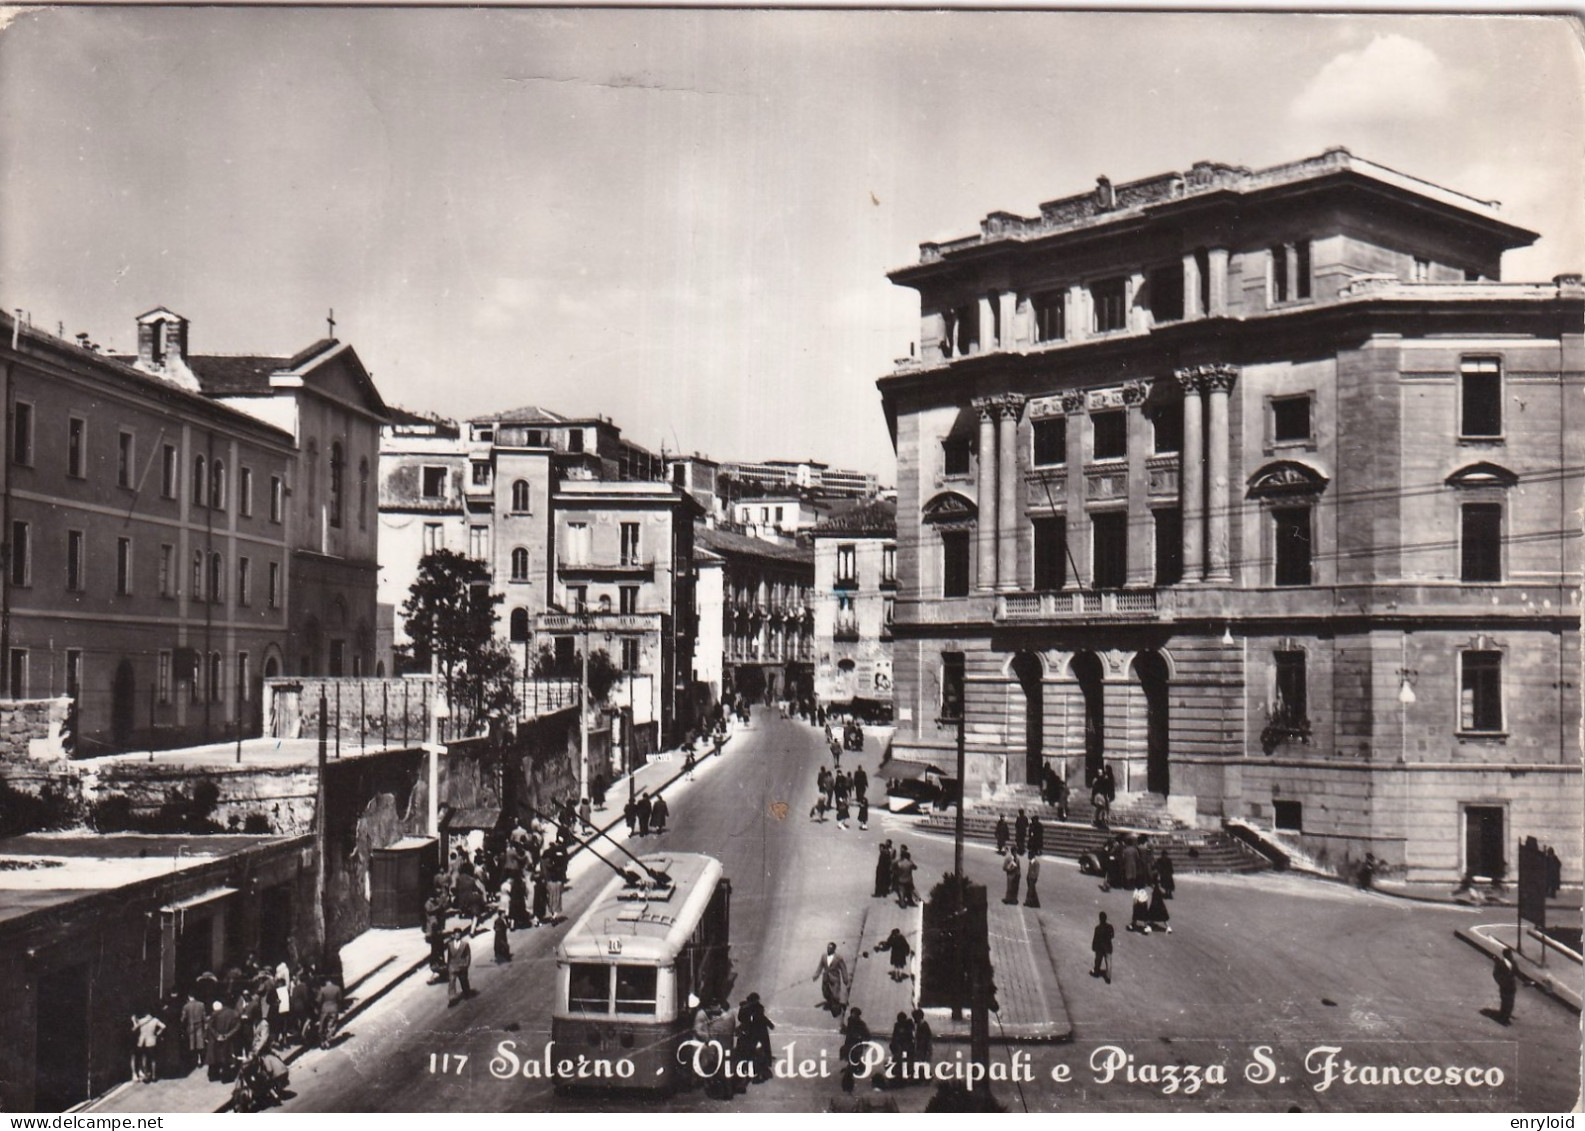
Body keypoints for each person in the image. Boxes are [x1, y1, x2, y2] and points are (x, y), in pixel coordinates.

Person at [813, 942, 850, 1017]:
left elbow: (843, 969)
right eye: (828, 948)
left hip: (835, 978)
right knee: (825, 992)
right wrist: (816, 975)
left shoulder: (838, 958)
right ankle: (830, 1002)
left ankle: (836, 1009)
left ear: (834, 949)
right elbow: (820, 966)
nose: (828, 949)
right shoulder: (824, 956)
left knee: (835, 994)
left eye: (830, 948)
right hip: (826, 977)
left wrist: (845, 979)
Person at [839, 1007, 871, 1094]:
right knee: (848, 1056)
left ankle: (853, 1070)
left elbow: (866, 1035)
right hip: (850, 1044)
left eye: (854, 1014)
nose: (853, 1015)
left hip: (856, 1045)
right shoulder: (850, 1022)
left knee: (853, 1057)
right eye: (852, 1013)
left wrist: (861, 1039)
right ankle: (852, 1068)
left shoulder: (860, 1024)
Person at [131, 1008, 166, 1083]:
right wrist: (157, 1034)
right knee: (153, 1059)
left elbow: (134, 1029)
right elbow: (163, 1026)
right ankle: (154, 1076)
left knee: (144, 1058)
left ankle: (146, 1075)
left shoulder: (141, 1021)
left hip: (142, 1042)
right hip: (152, 1041)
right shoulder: (155, 1020)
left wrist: (134, 1021)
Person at [446, 928, 473, 1007]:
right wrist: (448, 966)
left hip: (462, 966)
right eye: (456, 934)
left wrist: (466, 964)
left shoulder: (465, 944)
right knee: (451, 982)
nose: (457, 935)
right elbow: (449, 956)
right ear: (453, 935)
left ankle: (466, 992)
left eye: (459, 934)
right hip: (453, 966)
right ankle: (452, 998)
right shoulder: (450, 944)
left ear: (461, 935)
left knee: (463, 981)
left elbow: (468, 955)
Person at [181, 992, 207, 1072]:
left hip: (190, 1025)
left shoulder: (186, 1006)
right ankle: (200, 1060)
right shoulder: (201, 1004)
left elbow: (183, 1018)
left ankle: (194, 1061)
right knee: (200, 1044)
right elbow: (204, 1016)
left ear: (189, 997)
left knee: (191, 1043)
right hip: (199, 1025)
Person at [888, 1011, 915, 1085]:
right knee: (899, 1061)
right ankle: (899, 1074)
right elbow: (894, 1037)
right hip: (900, 1046)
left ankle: (907, 1075)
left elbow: (911, 1036)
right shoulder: (897, 1025)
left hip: (906, 1046)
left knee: (906, 1061)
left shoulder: (908, 1025)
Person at [1493, 947, 1518, 1025]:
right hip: (1504, 986)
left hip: (1512, 986)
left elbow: (1517, 972)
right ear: (1506, 955)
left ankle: (1506, 1017)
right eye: (1510, 955)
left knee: (1510, 1002)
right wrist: (1502, 983)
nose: (1511, 956)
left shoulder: (1514, 963)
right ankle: (1503, 1018)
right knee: (1505, 1002)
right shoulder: (1500, 964)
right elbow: (1496, 974)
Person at [316, 977, 343, 1048]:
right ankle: (327, 1040)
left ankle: (322, 1041)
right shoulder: (337, 988)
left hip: (324, 1009)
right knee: (331, 1026)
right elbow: (340, 999)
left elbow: (318, 1000)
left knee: (322, 1025)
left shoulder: (322, 989)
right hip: (334, 1009)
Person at [1091, 912, 1115, 984]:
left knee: (1098, 960)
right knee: (1108, 962)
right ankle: (1108, 977)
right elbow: (1112, 936)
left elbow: (1095, 938)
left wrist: (1093, 946)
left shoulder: (1097, 928)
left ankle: (1096, 972)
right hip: (1108, 947)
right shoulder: (1110, 927)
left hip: (1100, 947)